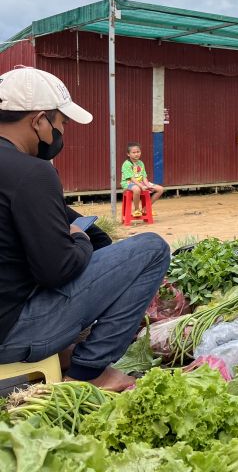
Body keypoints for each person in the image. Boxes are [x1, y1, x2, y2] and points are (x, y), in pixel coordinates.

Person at [0, 67, 171, 391]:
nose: (62, 131)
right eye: (61, 123)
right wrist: (80, 241)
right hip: (13, 333)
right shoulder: (32, 172)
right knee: (152, 249)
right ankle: (89, 371)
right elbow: (57, 270)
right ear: (38, 121)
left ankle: (65, 354)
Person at [121, 142, 165, 216]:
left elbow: (144, 176)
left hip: (141, 182)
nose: (136, 154)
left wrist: (147, 185)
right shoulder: (127, 164)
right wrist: (141, 186)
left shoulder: (141, 163)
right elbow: (131, 178)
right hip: (128, 183)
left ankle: (146, 208)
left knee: (160, 189)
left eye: (138, 152)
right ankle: (137, 210)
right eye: (133, 152)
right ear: (128, 154)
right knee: (137, 189)